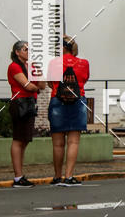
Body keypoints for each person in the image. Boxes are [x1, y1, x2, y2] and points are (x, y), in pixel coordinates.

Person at [48, 36, 90, 186]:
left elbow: (50, 83)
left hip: (57, 100)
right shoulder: (83, 63)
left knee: (58, 144)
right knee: (73, 141)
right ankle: (69, 176)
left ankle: (57, 177)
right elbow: (84, 80)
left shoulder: (53, 63)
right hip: (77, 101)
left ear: (62, 48)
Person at [7, 40, 46, 187]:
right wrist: (35, 85)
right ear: (17, 52)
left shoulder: (31, 66)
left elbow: (42, 84)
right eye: (25, 49)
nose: (28, 52)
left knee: (25, 140)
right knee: (18, 139)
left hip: (30, 103)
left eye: (30, 49)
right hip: (20, 103)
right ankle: (17, 177)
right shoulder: (14, 66)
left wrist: (38, 72)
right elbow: (28, 86)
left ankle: (20, 174)